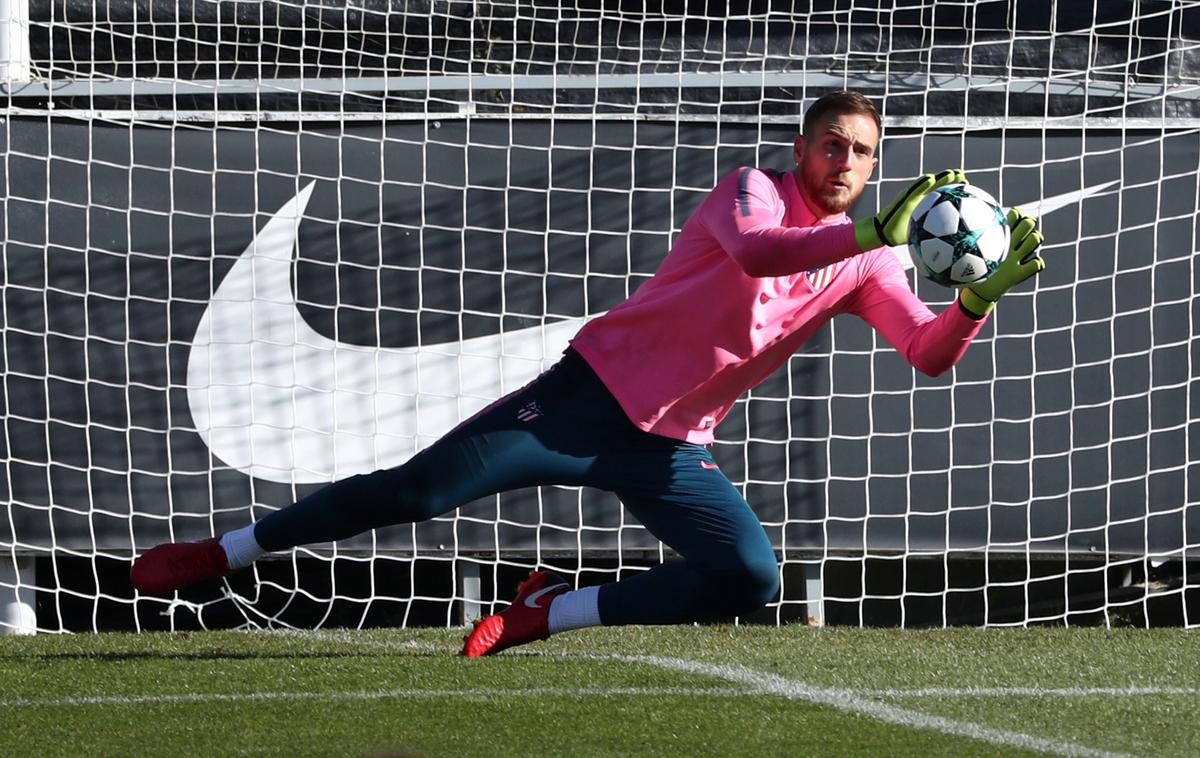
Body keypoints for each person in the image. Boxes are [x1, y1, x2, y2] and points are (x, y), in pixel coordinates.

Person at [132, 91, 1046, 656]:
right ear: (802, 150)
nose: (844, 160)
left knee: (750, 580)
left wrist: (978, 297)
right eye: (831, 144)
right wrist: (878, 227)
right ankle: (223, 554)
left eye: (861, 151)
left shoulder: (873, 259)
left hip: (674, 446)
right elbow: (767, 254)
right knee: (417, 494)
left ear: (877, 163)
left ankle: (549, 614)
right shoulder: (753, 190)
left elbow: (928, 355)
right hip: (583, 400)